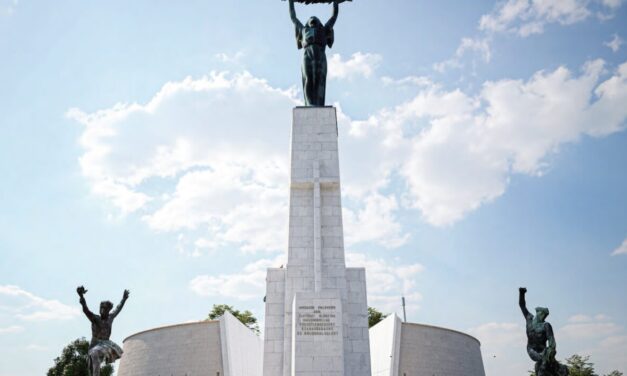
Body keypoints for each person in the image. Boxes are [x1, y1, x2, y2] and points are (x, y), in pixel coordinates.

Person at [289, 0, 339, 106]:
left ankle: (318, 103)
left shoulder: (324, 29)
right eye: (311, 18)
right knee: (308, 78)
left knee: (319, 79)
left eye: (315, 18)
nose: (313, 18)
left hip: (320, 54)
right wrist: (291, 1)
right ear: (308, 23)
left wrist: (335, 2)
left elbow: (334, 17)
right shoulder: (303, 30)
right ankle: (310, 104)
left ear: (319, 22)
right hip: (307, 54)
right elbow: (293, 17)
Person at [77, 286, 129, 376]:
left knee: (95, 353)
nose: (102, 310)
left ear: (108, 310)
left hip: (106, 343)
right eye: (101, 308)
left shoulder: (110, 317)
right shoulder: (95, 318)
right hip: (94, 343)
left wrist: (123, 299)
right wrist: (81, 296)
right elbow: (86, 310)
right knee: (91, 367)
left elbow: (118, 308)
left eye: (105, 309)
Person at [519, 287, 569, 376]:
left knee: (545, 361)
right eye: (542, 314)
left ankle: (559, 369)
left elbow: (552, 341)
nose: (544, 317)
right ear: (538, 313)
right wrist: (522, 293)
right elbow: (522, 305)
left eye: (545, 315)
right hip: (531, 349)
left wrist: (551, 350)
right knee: (542, 361)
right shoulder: (529, 318)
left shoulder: (546, 325)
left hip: (544, 350)